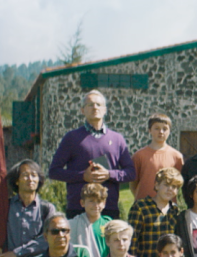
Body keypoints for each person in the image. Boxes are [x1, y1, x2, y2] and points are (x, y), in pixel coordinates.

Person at [48, 90, 135, 219]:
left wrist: (109, 174)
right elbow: (54, 171)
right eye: (90, 105)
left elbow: (131, 173)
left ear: (105, 110)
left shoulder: (117, 139)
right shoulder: (72, 138)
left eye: (98, 104)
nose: (95, 107)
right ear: (82, 110)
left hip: (108, 208)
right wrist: (83, 176)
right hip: (78, 208)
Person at [127, 167, 182, 257]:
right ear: (157, 185)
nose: (170, 189)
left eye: (174, 186)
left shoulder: (175, 211)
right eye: (166, 185)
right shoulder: (141, 207)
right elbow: (132, 239)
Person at [131, 113, 184, 201]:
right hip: (144, 204)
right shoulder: (139, 155)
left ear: (170, 131)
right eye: (157, 128)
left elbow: (178, 184)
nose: (161, 132)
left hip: (167, 204)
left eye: (165, 129)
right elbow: (133, 183)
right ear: (149, 130)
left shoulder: (176, 156)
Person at [68, 182, 111, 257]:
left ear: (104, 203)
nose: (96, 205)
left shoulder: (108, 224)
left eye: (99, 201)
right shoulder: (73, 224)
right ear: (82, 203)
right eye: (91, 201)